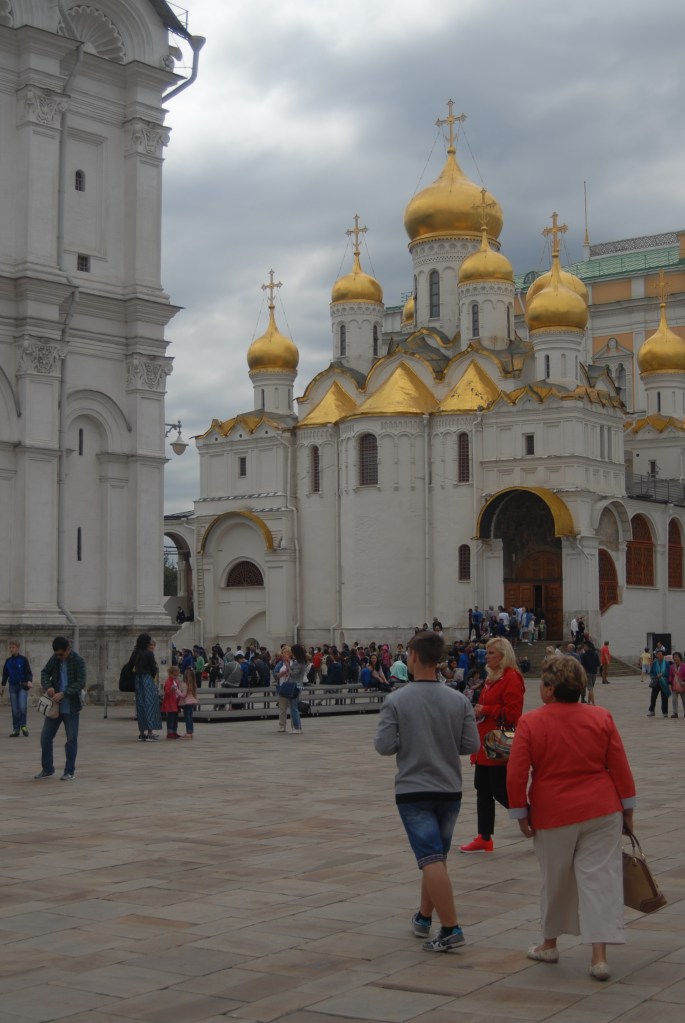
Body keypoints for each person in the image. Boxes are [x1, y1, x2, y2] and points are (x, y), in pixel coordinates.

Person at [507, 654, 636, 981]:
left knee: (555, 879)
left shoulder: (531, 722)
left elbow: (517, 773)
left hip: (553, 811)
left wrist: (520, 813)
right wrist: (628, 810)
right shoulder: (601, 716)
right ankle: (599, 957)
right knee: (601, 879)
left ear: (550, 689)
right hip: (602, 807)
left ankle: (549, 943)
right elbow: (620, 767)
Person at [374, 631, 480, 952]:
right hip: (449, 788)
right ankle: (423, 917)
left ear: (414, 656)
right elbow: (470, 744)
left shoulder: (396, 700)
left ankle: (451, 928)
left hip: (414, 789)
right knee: (436, 856)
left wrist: (411, 739)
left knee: (430, 858)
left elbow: (384, 746)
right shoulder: (458, 699)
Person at [460, 637, 525, 853]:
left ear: (503, 655)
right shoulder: (492, 677)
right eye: (486, 652)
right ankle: (484, 836)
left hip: (499, 741)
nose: (486, 656)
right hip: (485, 741)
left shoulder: (511, 677)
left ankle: (533, 817)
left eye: (491, 653)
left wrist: (485, 710)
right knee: (483, 789)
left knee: (500, 790)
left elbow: (513, 713)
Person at [34, 636, 86, 780]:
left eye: (61, 654)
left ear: (68, 650)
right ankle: (47, 769)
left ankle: (69, 771)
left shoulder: (79, 661)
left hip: (71, 707)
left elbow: (80, 683)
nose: (59, 657)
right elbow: (45, 672)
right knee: (45, 738)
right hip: (54, 707)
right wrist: (48, 686)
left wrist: (64, 693)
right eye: (56, 654)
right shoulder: (55, 659)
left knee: (71, 739)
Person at [128, 633, 161, 741]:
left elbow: (130, 665)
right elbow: (153, 668)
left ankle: (142, 732)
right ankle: (150, 732)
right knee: (150, 704)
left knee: (141, 705)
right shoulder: (149, 653)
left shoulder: (135, 653)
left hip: (138, 680)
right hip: (147, 679)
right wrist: (153, 674)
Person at [1, 639, 33, 737]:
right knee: (15, 709)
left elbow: (28, 672)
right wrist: (2, 686)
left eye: (13, 647)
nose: (11, 649)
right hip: (12, 687)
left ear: (18, 648)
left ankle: (23, 726)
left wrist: (29, 681)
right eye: (10, 647)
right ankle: (16, 729)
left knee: (22, 707)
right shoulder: (8, 661)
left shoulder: (23, 659)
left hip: (22, 686)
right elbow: (5, 674)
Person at [277, 644, 306, 734]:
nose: (292, 653)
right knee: (293, 707)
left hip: (296, 686)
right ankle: (296, 727)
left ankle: (297, 728)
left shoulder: (300, 663)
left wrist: (288, 667)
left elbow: (294, 674)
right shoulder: (298, 661)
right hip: (294, 685)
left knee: (294, 707)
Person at [648, 648, 670, 718]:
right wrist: (653, 677)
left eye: (660, 655)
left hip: (664, 682)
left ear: (663, 656)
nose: (659, 656)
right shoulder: (654, 663)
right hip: (656, 682)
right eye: (657, 654)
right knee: (653, 697)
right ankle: (652, 711)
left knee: (664, 698)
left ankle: (665, 712)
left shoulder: (666, 663)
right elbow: (651, 672)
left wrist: (662, 674)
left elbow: (668, 672)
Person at [178, 668, 198, 737]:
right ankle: (191, 732)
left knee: (187, 718)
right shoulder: (193, 684)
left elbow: (183, 695)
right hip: (192, 703)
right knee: (190, 718)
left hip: (186, 703)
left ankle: (188, 733)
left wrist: (177, 690)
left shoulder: (185, 685)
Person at [161, 665, 181, 739]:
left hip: (175, 703)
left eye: (177, 675)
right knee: (171, 718)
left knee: (175, 718)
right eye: (174, 675)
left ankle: (174, 731)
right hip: (170, 703)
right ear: (170, 673)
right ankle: (170, 733)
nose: (175, 677)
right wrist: (171, 690)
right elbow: (166, 691)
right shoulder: (168, 682)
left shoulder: (175, 681)